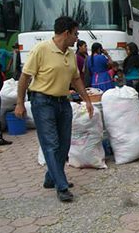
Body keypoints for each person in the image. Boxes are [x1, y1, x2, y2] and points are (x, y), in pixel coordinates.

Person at [14, 16, 94, 202]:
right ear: (66, 33)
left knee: (64, 144)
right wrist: (19, 102)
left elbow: (76, 79)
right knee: (51, 144)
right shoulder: (41, 50)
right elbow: (25, 78)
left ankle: (51, 178)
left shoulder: (70, 54)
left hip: (63, 102)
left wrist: (87, 100)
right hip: (42, 103)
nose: (77, 37)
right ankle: (62, 186)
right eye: (75, 34)